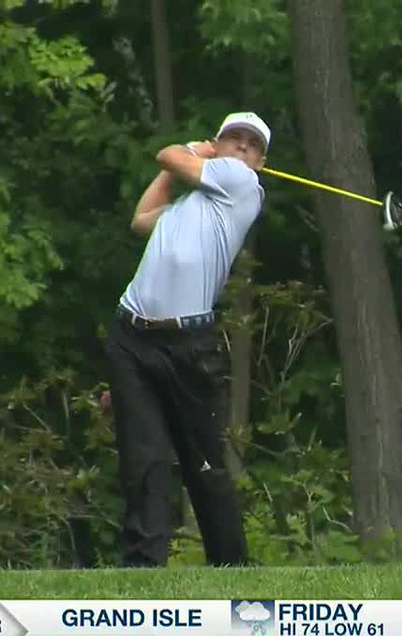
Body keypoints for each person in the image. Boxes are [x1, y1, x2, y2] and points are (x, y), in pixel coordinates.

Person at [104, 112, 271, 567]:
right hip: (131, 336)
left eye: (251, 145)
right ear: (218, 144)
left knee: (204, 464)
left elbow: (167, 154)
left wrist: (193, 153)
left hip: (188, 345)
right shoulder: (190, 207)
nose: (240, 148)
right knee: (144, 460)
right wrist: (175, 171)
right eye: (232, 139)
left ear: (258, 162)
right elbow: (141, 219)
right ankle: (142, 567)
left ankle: (231, 565)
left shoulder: (241, 186)